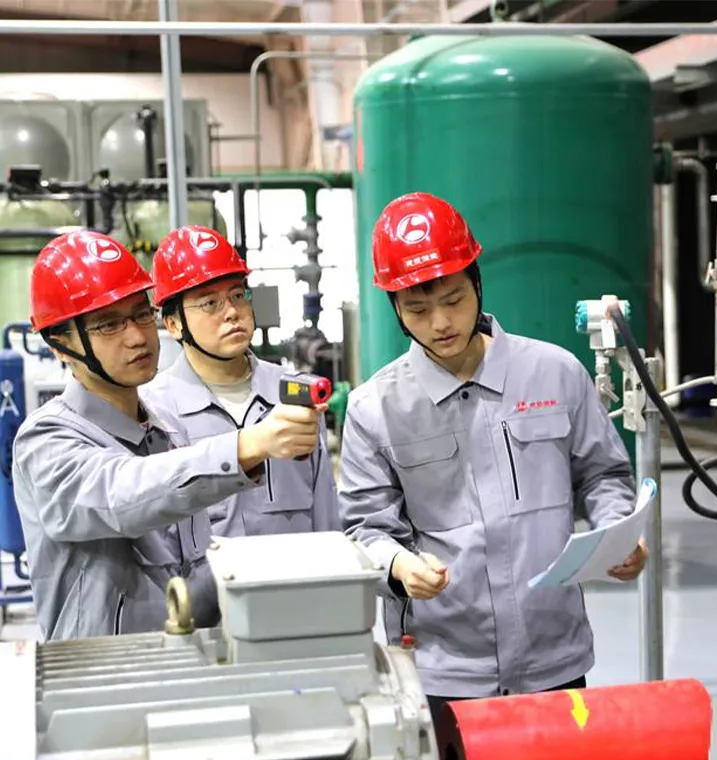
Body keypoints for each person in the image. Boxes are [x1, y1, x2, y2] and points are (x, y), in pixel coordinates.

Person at [337, 192, 648, 719]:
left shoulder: (554, 373)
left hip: (554, 657)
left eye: (454, 300)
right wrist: (398, 565)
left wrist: (617, 531)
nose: (440, 322)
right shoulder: (375, 408)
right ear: (395, 309)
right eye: (417, 309)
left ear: (477, 283)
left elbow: (603, 473)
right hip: (443, 669)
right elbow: (364, 528)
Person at [12, 231, 325, 641]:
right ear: (59, 343)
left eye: (142, 314)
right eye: (109, 324)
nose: (137, 336)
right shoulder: (45, 439)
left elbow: (190, 581)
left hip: (181, 661)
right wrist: (247, 445)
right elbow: (120, 494)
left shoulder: (164, 432)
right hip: (100, 669)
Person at [141, 225, 339, 538]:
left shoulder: (295, 393)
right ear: (174, 323)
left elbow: (327, 516)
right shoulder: (153, 412)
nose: (232, 312)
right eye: (210, 303)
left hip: (299, 570)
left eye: (237, 295)